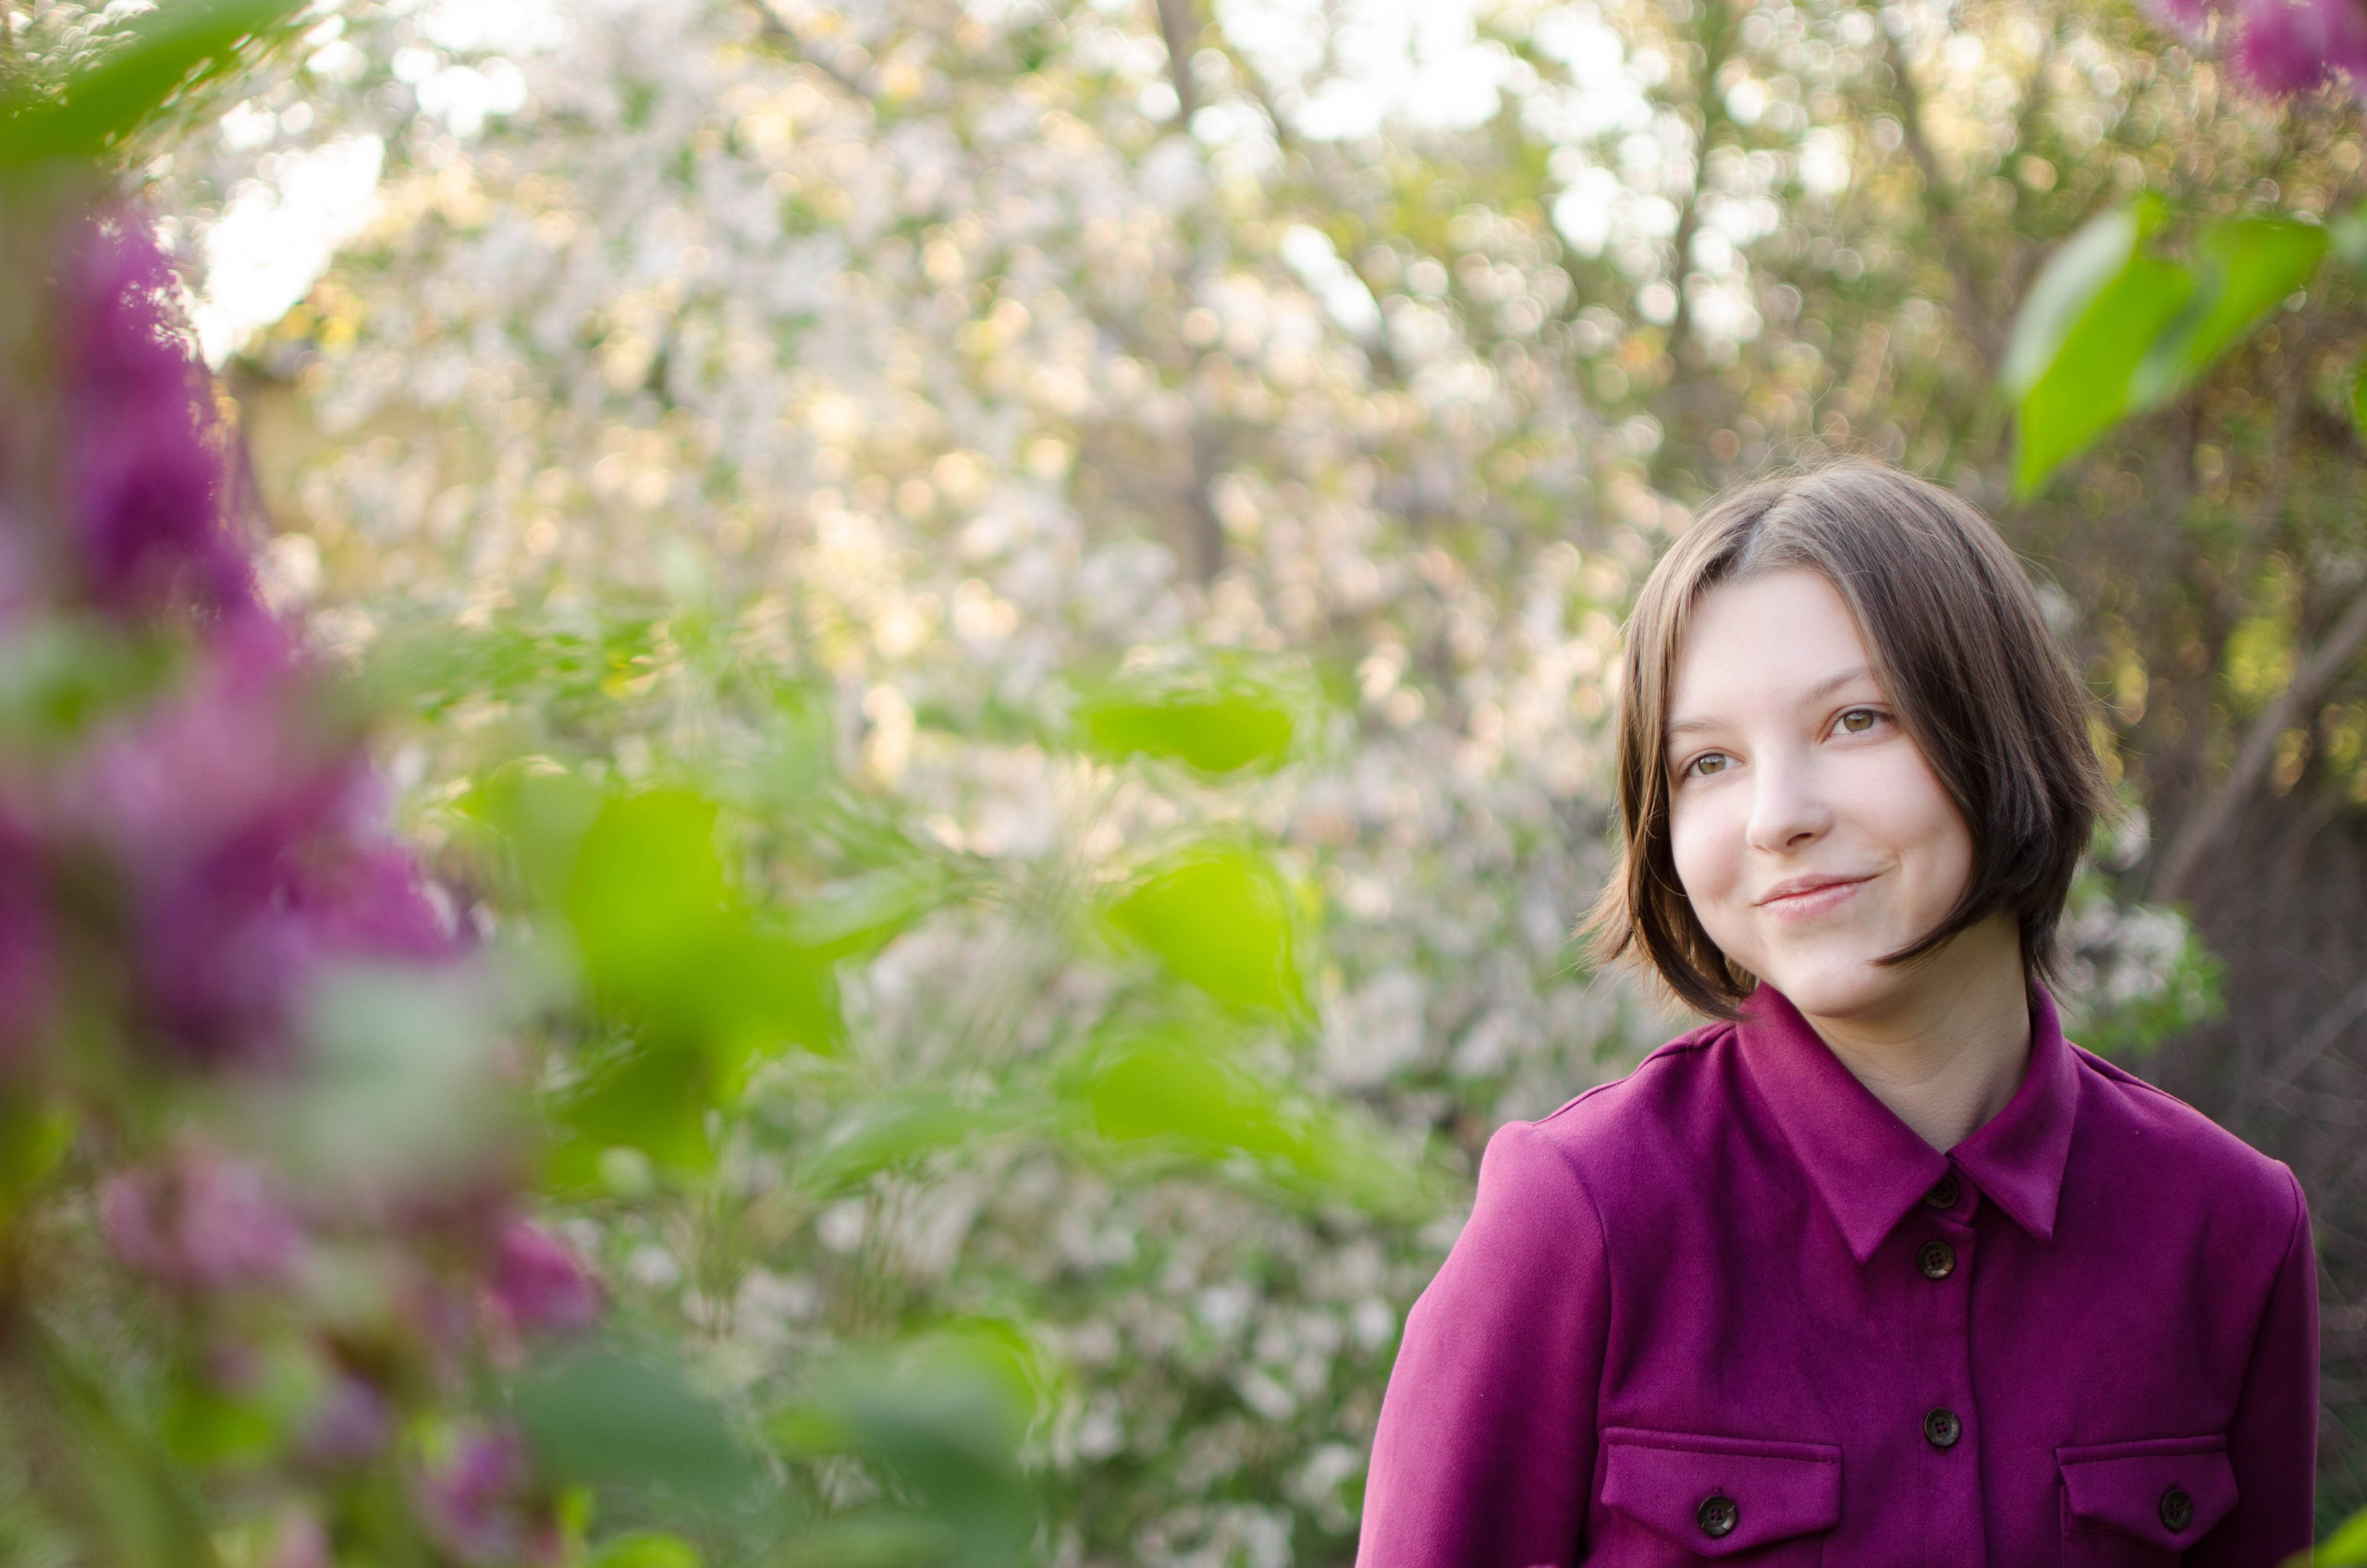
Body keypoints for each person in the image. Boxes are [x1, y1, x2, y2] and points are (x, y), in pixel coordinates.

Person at [1355, 460, 2317, 1566]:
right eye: (1706, 761)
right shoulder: (1579, 1217)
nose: (1777, 817)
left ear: (1996, 727)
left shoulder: (2230, 1227)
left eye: (1856, 720)